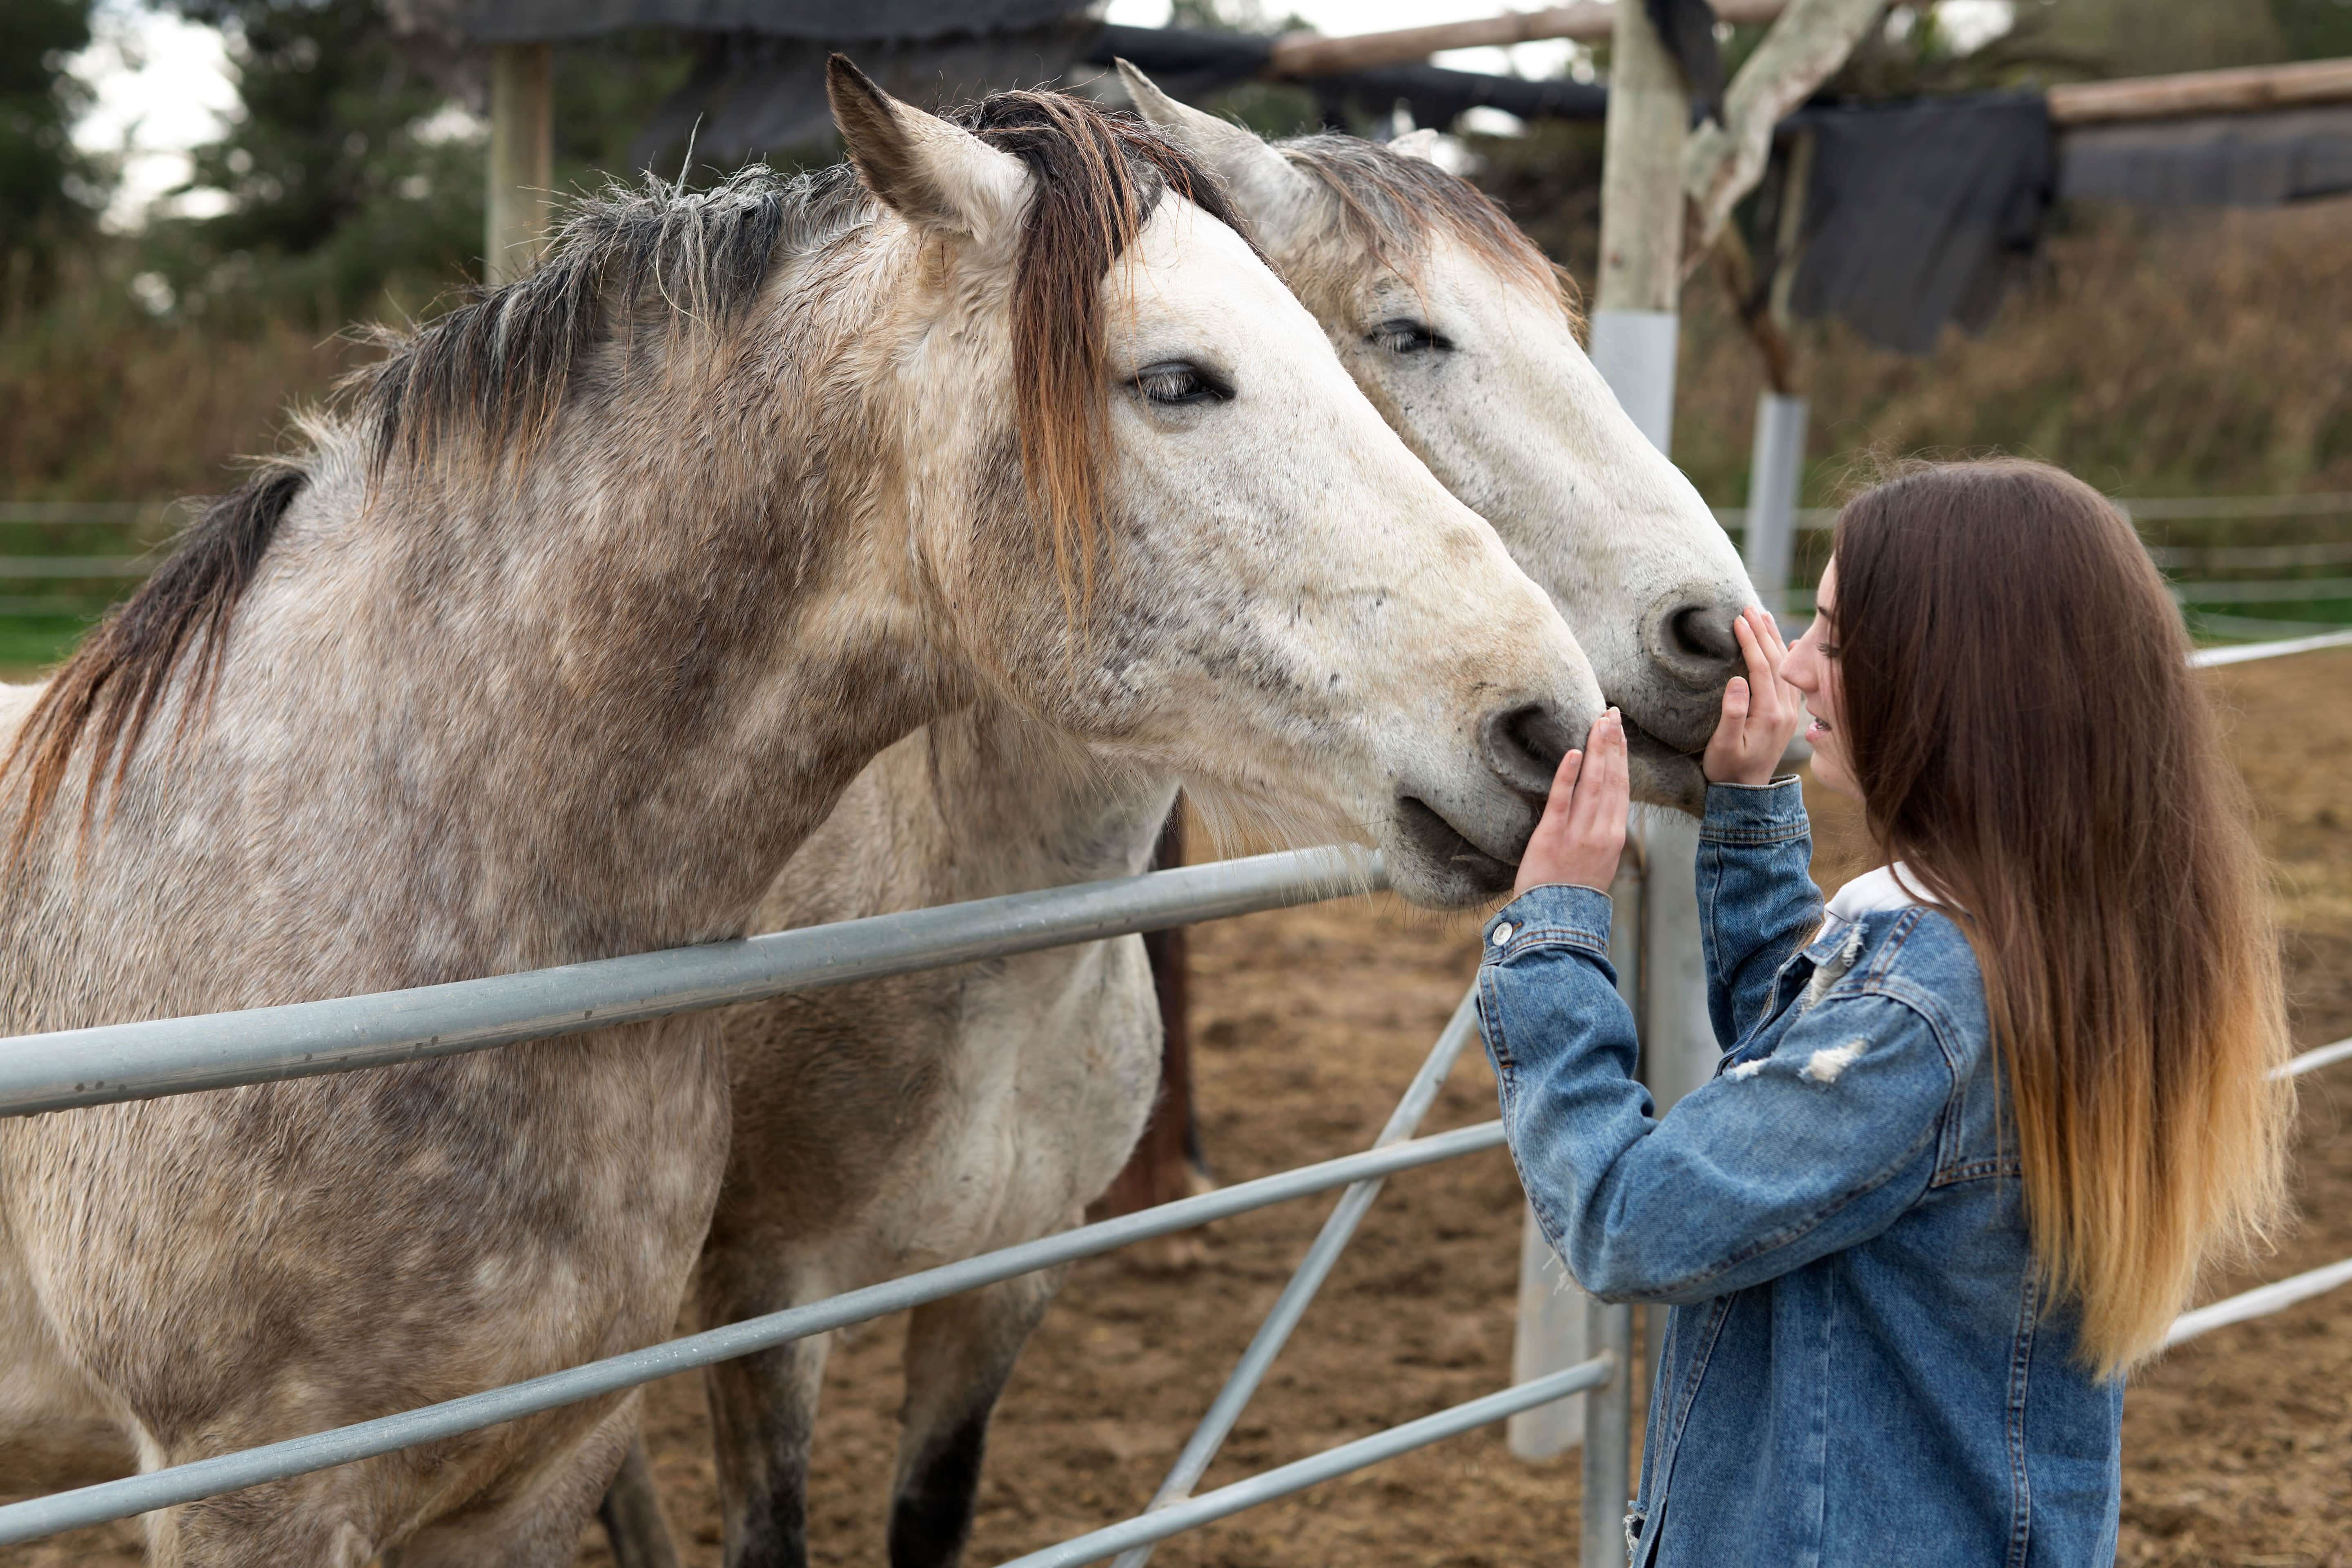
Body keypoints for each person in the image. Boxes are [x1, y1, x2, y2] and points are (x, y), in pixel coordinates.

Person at [1478, 459, 2291, 1567]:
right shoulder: (2072, 939)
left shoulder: (1925, 1003)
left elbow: (1629, 1221)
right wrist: (1756, 809)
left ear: (1956, 684)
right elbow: (1820, 1085)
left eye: (1833, 639)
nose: (1796, 667)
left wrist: (1554, 935)